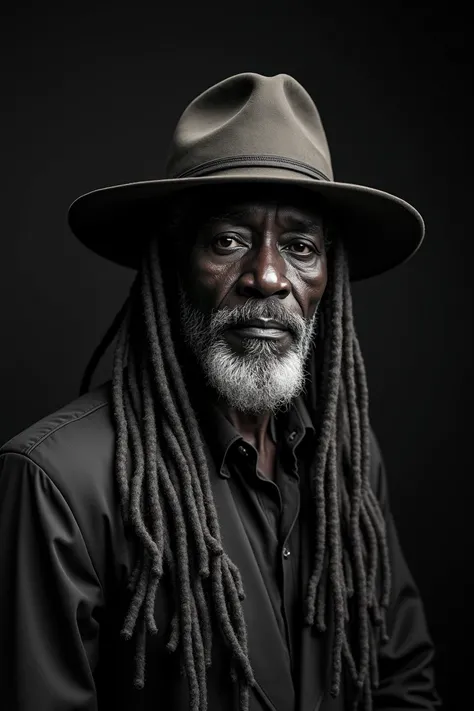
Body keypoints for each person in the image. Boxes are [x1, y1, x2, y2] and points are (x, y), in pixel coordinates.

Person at [0, 72, 441, 711]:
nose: (267, 277)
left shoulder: (347, 460)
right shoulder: (56, 484)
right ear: (173, 265)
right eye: (228, 241)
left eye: (300, 247)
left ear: (328, 281)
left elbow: (404, 682)